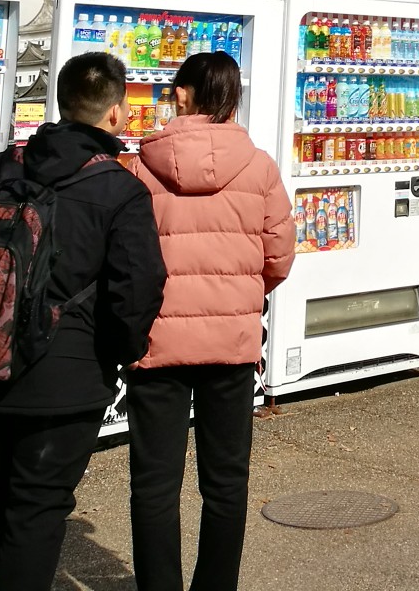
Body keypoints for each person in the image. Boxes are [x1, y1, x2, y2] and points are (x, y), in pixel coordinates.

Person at [0, 52, 166, 591]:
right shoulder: (120, 190)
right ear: (116, 113)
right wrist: (118, 353)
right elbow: (137, 288)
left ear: (61, 102)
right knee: (38, 510)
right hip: (67, 380)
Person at [127, 50, 293, 591]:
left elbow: (123, 255)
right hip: (232, 342)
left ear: (182, 94)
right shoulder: (260, 165)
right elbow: (279, 256)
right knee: (226, 482)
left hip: (156, 342)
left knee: (154, 484)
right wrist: (241, 295)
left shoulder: (139, 165)